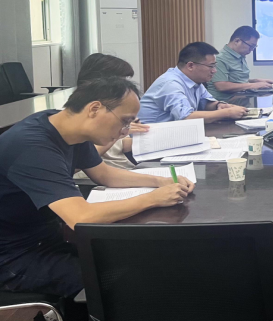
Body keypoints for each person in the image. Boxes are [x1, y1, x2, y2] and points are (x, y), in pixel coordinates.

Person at [0, 77, 195, 298]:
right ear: (94, 109)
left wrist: (159, 181)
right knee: (117, 279)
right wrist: (153, 199)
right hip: (13, 256)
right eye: (125, 121)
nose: (125, 131)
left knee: (138, 258)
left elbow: (104, 174)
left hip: (46, 238)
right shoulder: (32, 146)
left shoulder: (66, 128)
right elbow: (81, 217)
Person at [138, 42, 248, 124]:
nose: (214, 71)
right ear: (190, 66)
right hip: (150, 140)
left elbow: (205, 103)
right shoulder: (171, 83)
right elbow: (186, 117)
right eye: (211, 66)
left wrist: (220, 105)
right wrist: (227, 113)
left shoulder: (196, 81)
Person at [74, 54, 148, 175]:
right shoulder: (81, 115)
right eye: (121, 83)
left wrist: (151, 140)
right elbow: (81, 161)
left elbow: (118, 147)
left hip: (123, 169)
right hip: (98, 178)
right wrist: (119, 131)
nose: (125, 88)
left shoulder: (110, 109)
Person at [207, 26, 273, 103]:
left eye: (254, 47)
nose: (251, 50)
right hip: (224, 103)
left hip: (240, 99)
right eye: (251, 46)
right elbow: (221, 86)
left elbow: (236, 80)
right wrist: (253, 85)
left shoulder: (240, 56)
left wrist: (256, 81)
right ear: (237, 41)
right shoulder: (220, 58)